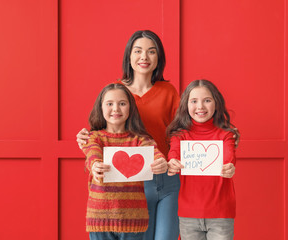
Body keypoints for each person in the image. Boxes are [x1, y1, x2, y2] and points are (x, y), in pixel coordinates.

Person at [77, 30, 181, 239]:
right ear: (129, 56)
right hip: (132, 182)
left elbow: (180, 131)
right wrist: (85, 141)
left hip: (165, 175)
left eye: (151, 52)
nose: (144, 57)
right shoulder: (117, 92)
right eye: (138, 51)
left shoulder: (169, 91)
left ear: (159, 57)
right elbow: (101, 133)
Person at [82, 83, 166, 240]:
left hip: (134, 219)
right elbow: (92, 153)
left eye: (122, 104)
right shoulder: (94, 137)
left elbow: (155, 154)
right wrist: (95, 165)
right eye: (109, 104)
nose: (116, 109)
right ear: (100, 107)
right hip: (100, 218)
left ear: (130, 108)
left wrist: (161, 162)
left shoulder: (141, 140)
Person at [167, 79, 239, 240]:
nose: (200, 106)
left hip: (221, 213)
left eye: (207, 100)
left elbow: (229, 157)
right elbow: (174, 153)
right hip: (188, 214)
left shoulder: (226, 134)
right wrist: (172, 162)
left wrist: (229, 166)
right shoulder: (180, 135)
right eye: (194, 101)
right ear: (186, 105)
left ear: (216, 103)